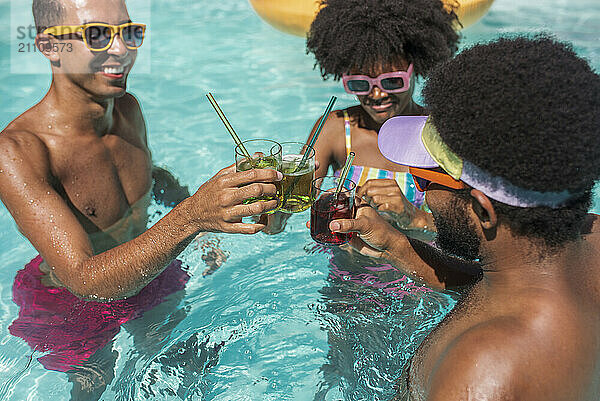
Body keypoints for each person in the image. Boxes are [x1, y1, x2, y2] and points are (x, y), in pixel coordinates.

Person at [0, 0, 281, 398]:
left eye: (129, 31)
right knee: (93, 385)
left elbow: (150, 173)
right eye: (97, 35)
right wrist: (192, 217)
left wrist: (201, 224)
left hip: (150, 264)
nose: (121, 49)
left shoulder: (127, 109)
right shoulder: (19, 151)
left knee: (185, 370)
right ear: (49, 47)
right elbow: (85, 280)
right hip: (70, 301)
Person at [330, 35, 600, 400]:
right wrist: (398, 247)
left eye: (426, 176)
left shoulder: (480, 373)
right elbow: (498, 283)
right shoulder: (591, 238)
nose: (421, 188)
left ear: (483, 210)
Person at [263, 0, 460, 235]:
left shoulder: (442, 131)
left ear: (415, 68)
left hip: (418, 270)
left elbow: (476, 233)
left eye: (392, 81)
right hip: (343, 269)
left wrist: (413, 217)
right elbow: (272, 229)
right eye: (360, 84)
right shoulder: (336, 128)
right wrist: (277, 199)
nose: (377, 94)